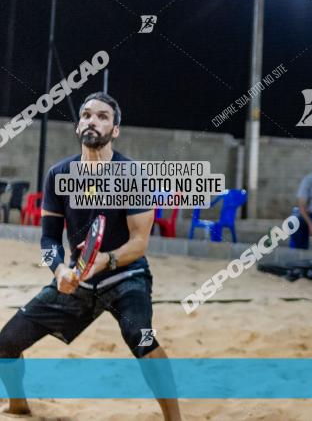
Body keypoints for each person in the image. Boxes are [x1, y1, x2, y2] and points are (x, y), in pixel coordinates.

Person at [0, 93, 181, 420]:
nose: (92, 121)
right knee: (6, 343)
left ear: (115, 130)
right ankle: (17, 404)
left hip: (125, 276)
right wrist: (58, 271)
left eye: (102, 116)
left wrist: (107, 260)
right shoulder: (59, 175)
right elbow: (48, 238)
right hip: (78, 278)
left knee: (141, 336)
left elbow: (140, 244)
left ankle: (174, 418)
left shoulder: (132, 175)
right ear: (78, 125)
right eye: (86, 115)